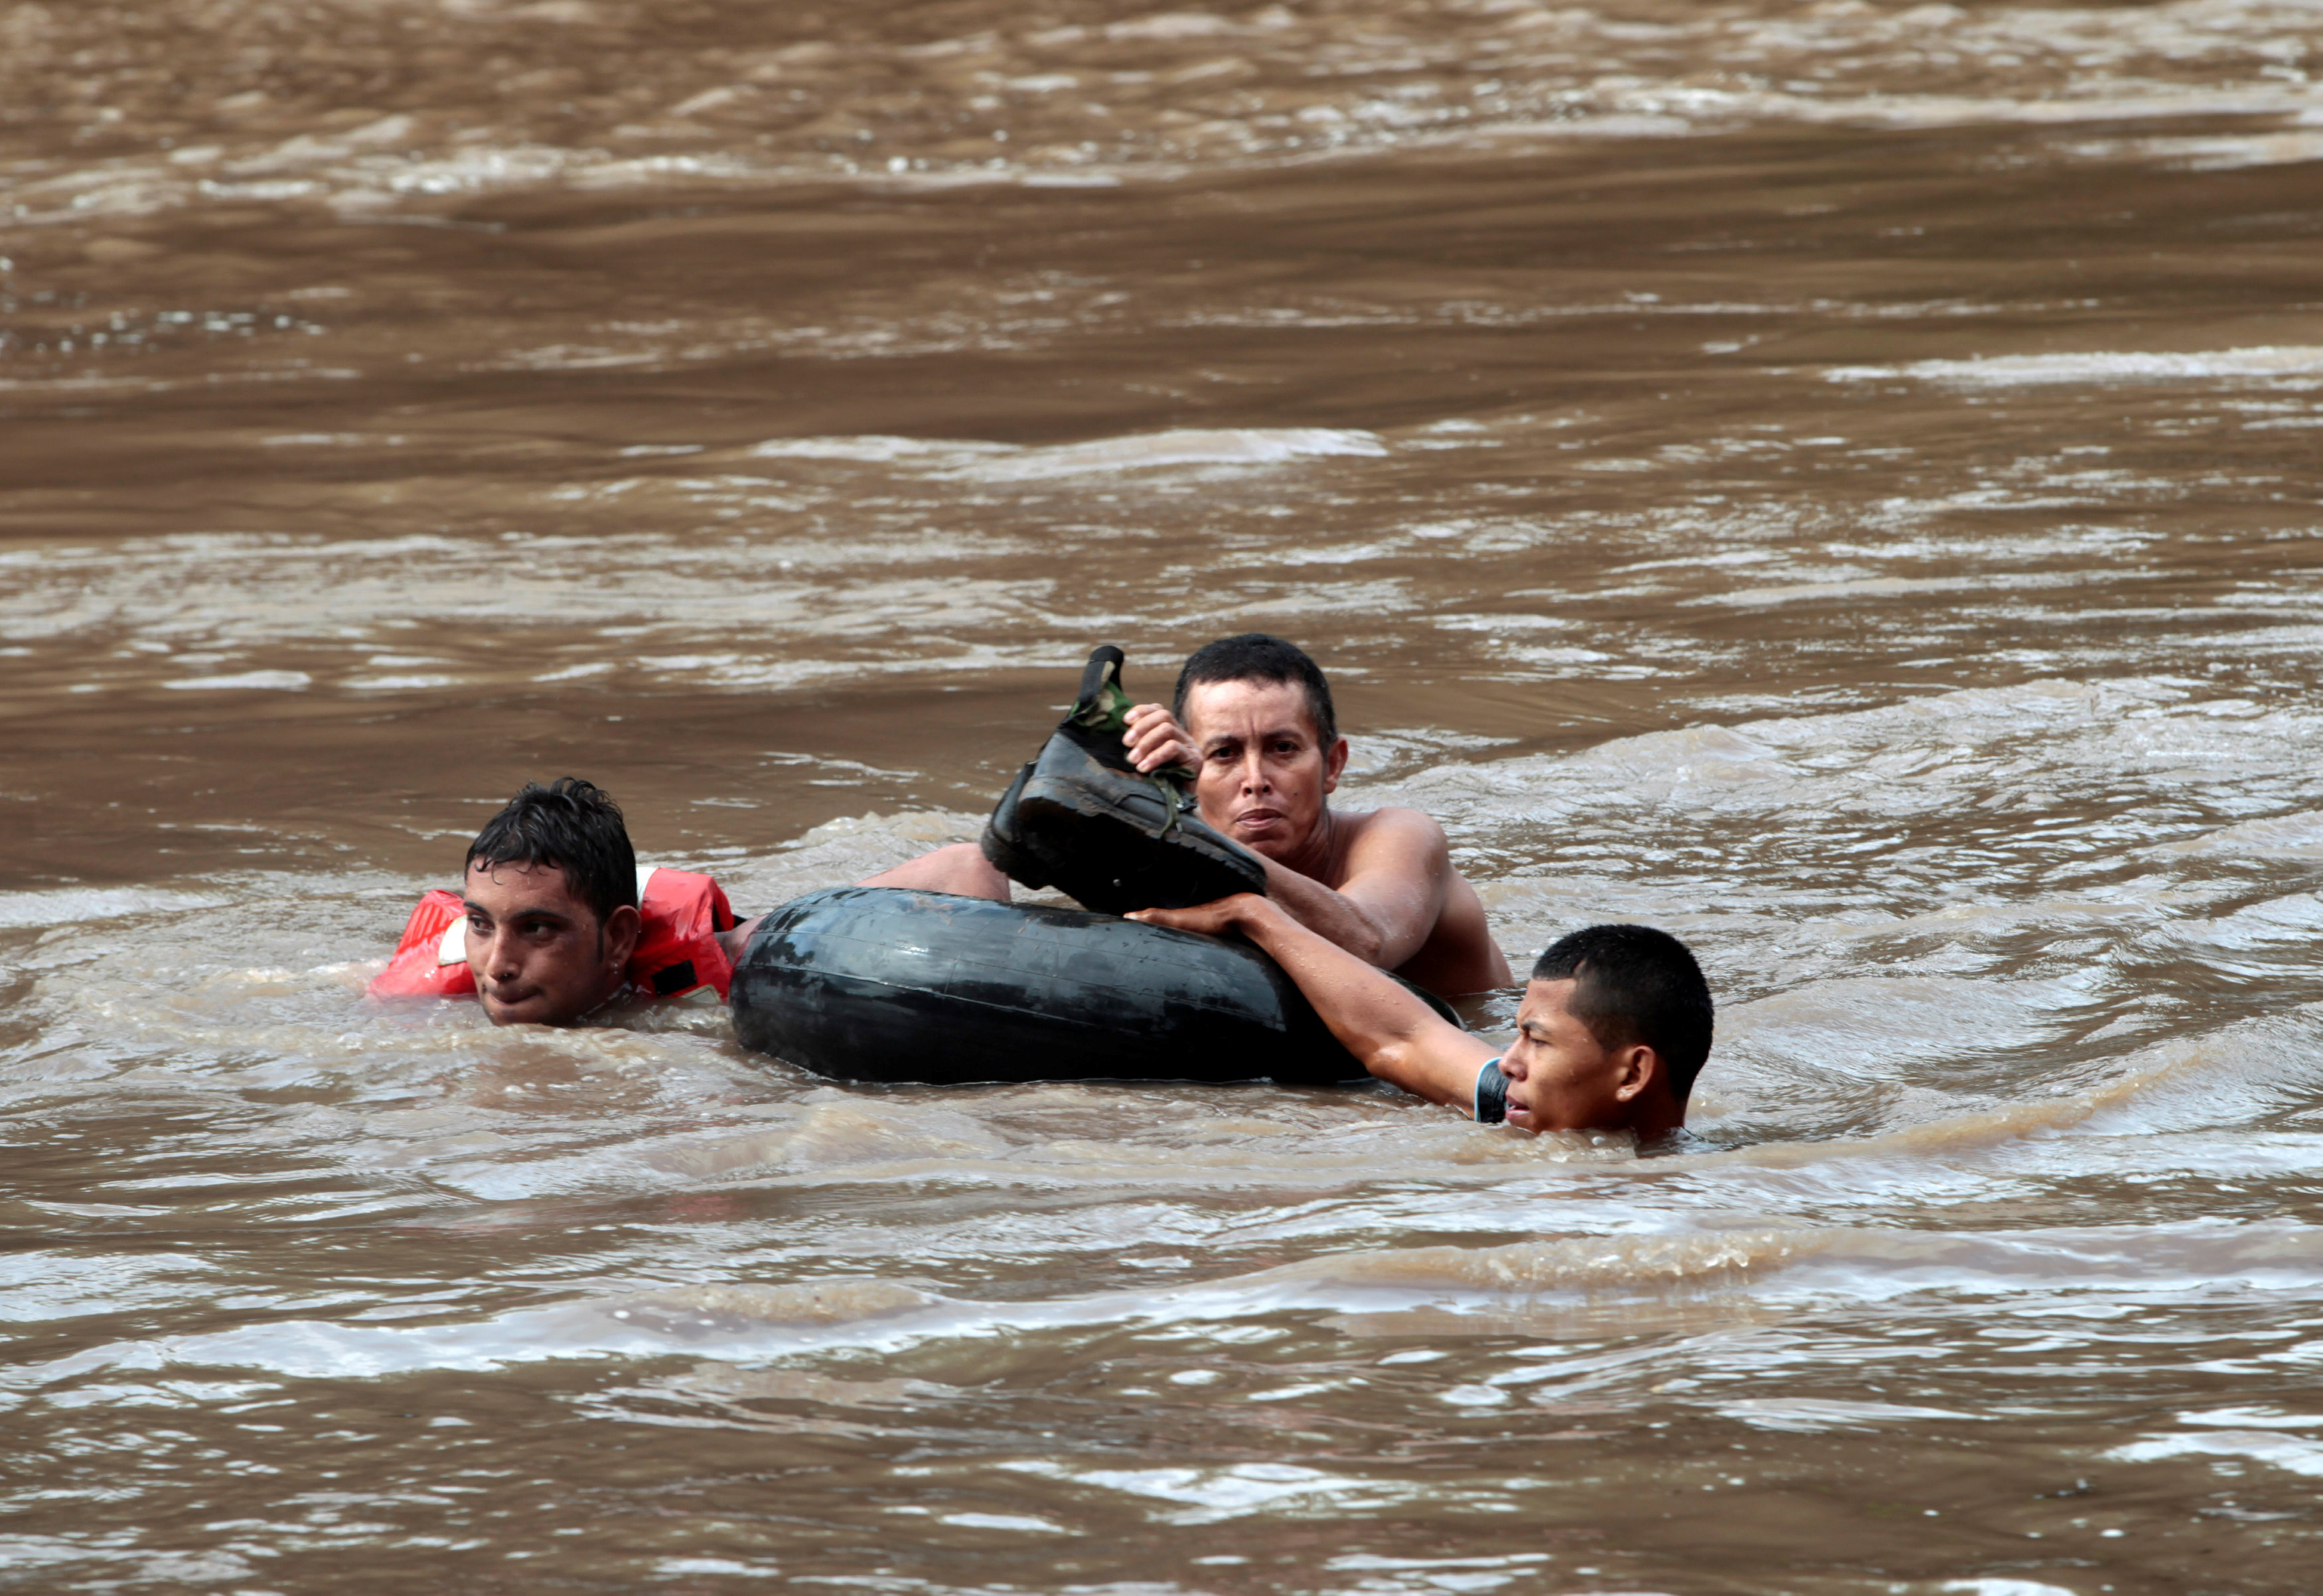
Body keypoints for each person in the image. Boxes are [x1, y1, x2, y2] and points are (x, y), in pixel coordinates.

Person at [368, 776, 1002, 1026]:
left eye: (537, 929)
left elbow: (965, 864)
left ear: (617, 937)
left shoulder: (737, 959)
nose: (498, 964)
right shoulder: (432, 983)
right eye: (482, 923)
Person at [1119, 634, 1511, 997]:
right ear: (1189, 774)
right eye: (1224, 754)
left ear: (1332, 765)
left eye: (1283, 748)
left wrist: (1187, 828)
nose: (1255, 780)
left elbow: (1367, 941)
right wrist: (1144, 801)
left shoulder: (1402, 835)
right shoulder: (1175, 842)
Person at [1130, 899, 1711, 1139]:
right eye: (1517, 1033)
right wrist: (1253, 916)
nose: (1508, 1061)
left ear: (1632, 1074)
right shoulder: (1516, 1102)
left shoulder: (1700, 1201)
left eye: (1537, 1040)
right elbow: (1402, 1037)